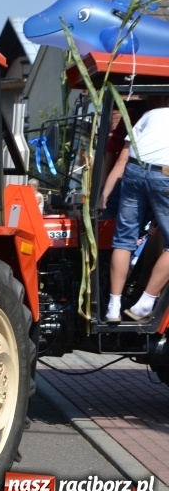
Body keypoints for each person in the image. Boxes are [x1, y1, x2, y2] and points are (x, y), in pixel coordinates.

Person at [103, 95, 169, 323]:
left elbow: (121, 159)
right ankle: (145, 302)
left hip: (133, 171)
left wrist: (105, 192)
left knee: (123, 240)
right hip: (164, 173)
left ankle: (113, 306)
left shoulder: (147, 117)